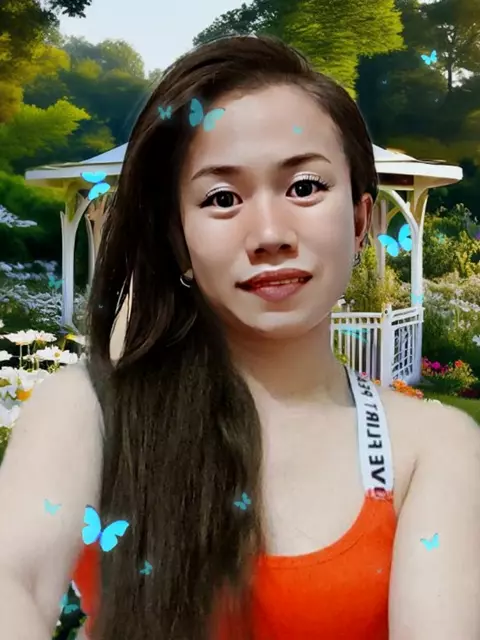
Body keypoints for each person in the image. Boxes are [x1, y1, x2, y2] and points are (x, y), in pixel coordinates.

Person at [0, 34, 479, 640]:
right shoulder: (91, 410)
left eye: (304, 187)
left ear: (360, 222)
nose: (270, 233)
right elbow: (13, 578)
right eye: (222, 198)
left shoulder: (434, 447)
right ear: (179, 239)